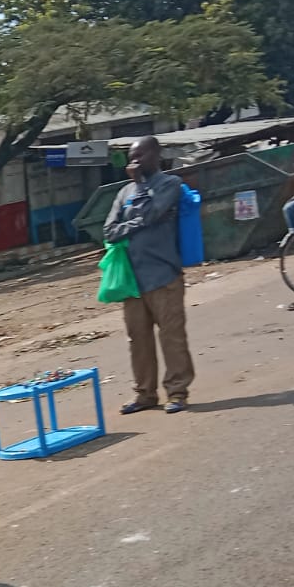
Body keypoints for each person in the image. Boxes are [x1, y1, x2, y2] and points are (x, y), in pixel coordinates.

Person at [104, 136, 195, 414]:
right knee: (138, 340)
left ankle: (177, 392)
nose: (135, 161)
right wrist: (136, 223)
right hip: (132, 280)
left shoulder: (170, 184)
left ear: (157, 155)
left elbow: (152, 213)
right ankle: (145, 394)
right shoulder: (124, 192)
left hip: (163, 275)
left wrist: (141, 190)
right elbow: (109, 231)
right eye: (132, 157)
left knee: (172, 336)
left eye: (140, 155)